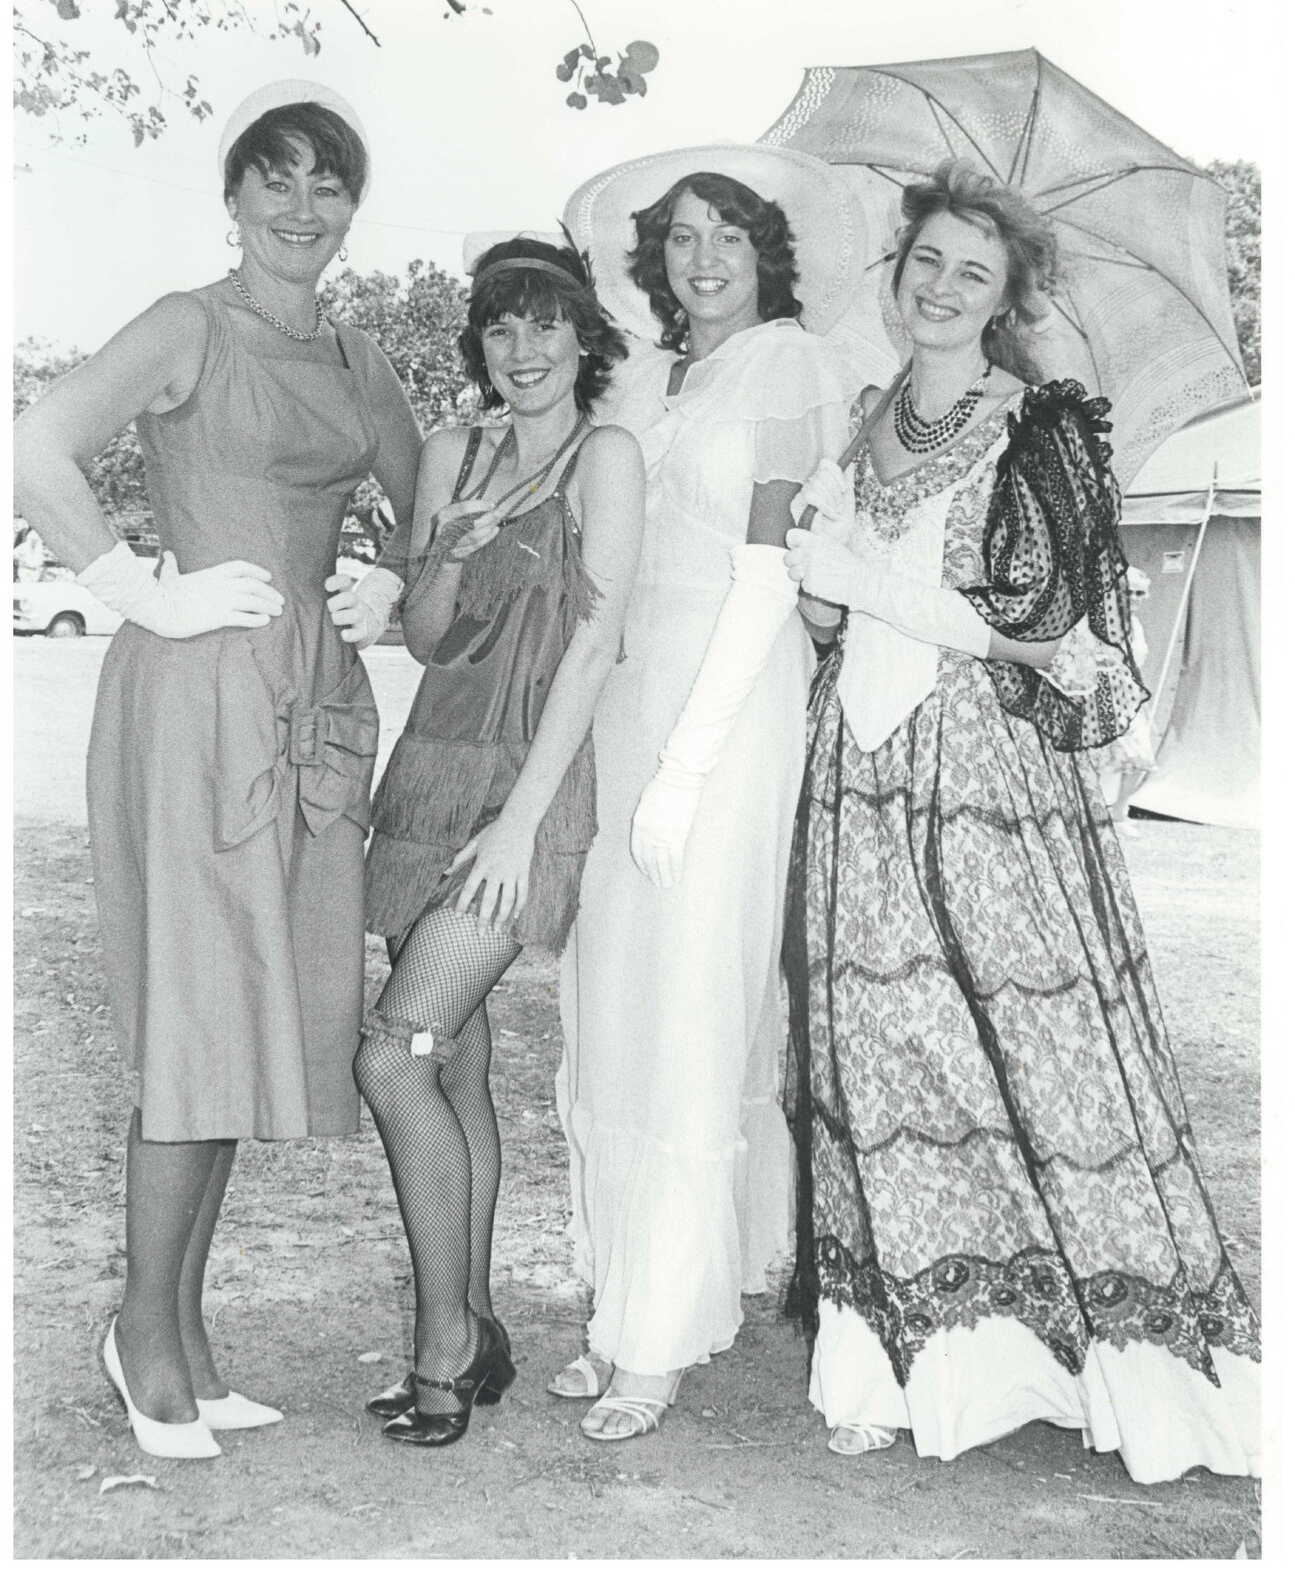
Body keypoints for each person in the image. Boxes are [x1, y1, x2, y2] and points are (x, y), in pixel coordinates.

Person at [780, 159, 1259, 1483]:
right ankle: (909, 1354)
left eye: (968, 273)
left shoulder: (1035, 421)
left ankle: (1113, 1356)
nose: (937, 287)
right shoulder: (868, 413)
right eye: (923, 261)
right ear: (896, 270)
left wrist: (864, 579)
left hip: (983, 775)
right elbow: (831, 617)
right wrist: (818, 590)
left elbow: (1046, 630)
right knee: (880, 1053)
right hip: (859, 773)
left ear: (1006, 298)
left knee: (1037, 1053)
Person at [12, 80, 422, 1461]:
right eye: (276, 180)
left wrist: (392, 581)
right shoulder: (189, 323)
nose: (301, 208)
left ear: (350, 208)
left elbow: (431, 517)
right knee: (195, 1016)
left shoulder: (364, 360)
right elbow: (36, 444)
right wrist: (138, 585)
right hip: (195, 690)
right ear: (234, 198)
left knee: (246, 1019)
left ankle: (180, 1334)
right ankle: (142, 1332)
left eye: (328, 184)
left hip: (307, 703)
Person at [555, 147, 864, 1441]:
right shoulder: (645, 372)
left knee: (690, 988)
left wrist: (687, 764)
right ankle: (638, 1282)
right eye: (679, 237)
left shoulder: (789, 363)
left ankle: (657, 1336)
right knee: (615, 991)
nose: (699, 258)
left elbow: (763, 571)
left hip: (729, 702)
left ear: (765, 251)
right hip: (632, 687)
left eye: (724, 234)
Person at [332, 234, 644, 1449]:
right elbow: (421, 635)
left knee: (394, 1056)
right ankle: (482, 1324)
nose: (522, 350)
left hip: (532, 784)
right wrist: (446, 557)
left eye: (544, 325)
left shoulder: (602, 455)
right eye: (500, 329)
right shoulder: (454, 451)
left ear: (583, 337)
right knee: (451, 1059)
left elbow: (596, 641)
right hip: (431, 765)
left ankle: (445, 1343)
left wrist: (523, 822)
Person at [1099, 566, 1157, 832]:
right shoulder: (1102, 620)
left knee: (1139, 755)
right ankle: (1087, 812)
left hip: (1128, 698)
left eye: (1140, 593)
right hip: (1099, 695)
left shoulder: (1136, 624)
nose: (1134, 597)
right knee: (1094, 757)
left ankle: (1120, 812)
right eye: (1128, 591)